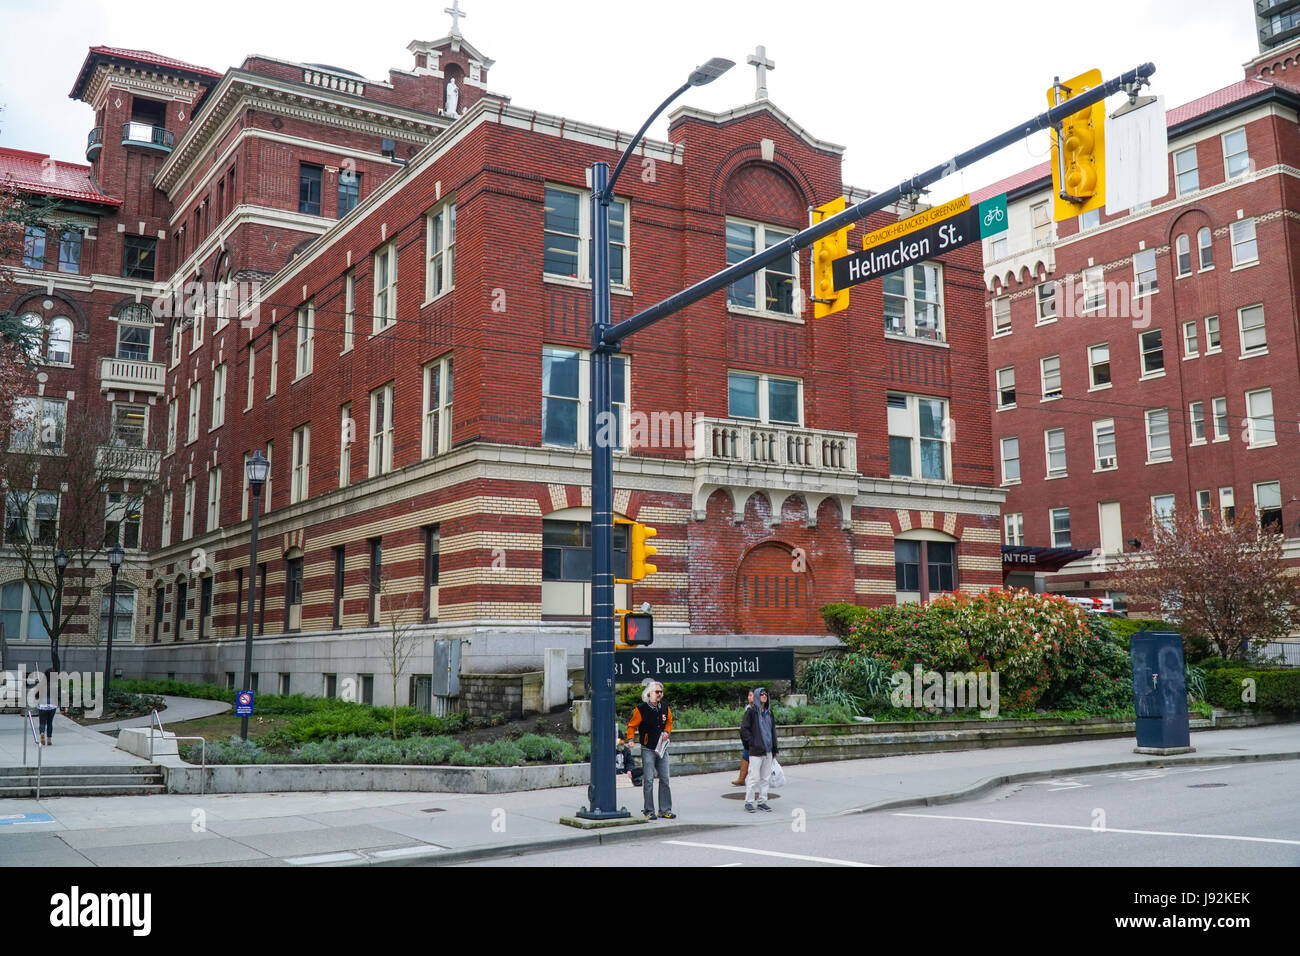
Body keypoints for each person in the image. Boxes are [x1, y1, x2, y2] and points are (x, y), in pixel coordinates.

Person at [626, 681, 674, 820]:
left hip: (662, 748)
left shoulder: (665, 708)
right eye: (657, 692)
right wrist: (630, 739)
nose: (659, 694)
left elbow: (669, 722)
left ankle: (665, 809)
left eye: (661, 692)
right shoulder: (640, 710)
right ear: (649, 694)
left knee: (665, 778)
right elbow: (631, 726)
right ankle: (649, 810)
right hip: (648, 748)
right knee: (648, 779)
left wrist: (667, 731)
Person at [740, 686, 778, 812]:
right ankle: (749, 802)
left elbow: (772, 731)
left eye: (766, 694)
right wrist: (751, 743)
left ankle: (762, 801)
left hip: (767, 750)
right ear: (757, 696)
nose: (764, 696)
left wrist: (774, 749)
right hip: (756, 750)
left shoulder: (769, 712)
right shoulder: (751, 712)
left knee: (765, 778)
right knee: (753, 777)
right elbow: (744, 730)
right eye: (762, 694)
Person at [731, 689, 754, 787]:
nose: (749, 697)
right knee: (746, 755)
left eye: (751, 695)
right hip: (749, 740)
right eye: (748, 695)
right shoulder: (748, 709)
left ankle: (742, 779)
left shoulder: (759, 709)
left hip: (756, 740)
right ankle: (741, 779)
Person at [37, 669, 58, 746]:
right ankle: (49, 739)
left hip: (43, 706)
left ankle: (42, 733)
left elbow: (36, 695)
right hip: (52, 706)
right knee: (50, 722)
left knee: (42, 722)